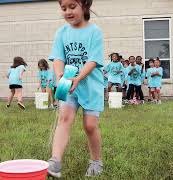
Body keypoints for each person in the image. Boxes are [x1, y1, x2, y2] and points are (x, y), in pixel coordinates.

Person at [48, 0, 104, 177]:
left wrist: (78, 78)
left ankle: (96, 162)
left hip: (91, 86)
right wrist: (59, 76)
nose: (67, 11)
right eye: (63, 8)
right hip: (68, 85)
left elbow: (93, 60)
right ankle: (55, 162)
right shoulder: (61, 33)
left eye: (72, 6)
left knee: (90, 126)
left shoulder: (94, 32)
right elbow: (58, 57)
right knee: (64, 118)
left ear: (84, 6)